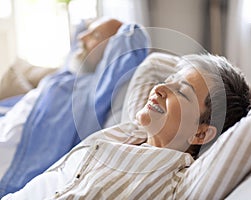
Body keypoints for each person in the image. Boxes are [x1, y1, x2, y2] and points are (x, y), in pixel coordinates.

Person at [2, 53, 251, 199]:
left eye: (182, 92)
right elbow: (154, 63)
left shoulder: (180, 179)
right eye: (170, 80)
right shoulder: (133, 129)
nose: (160, 89)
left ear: (201, 132)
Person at [0, 18, 149, 197]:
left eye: (95, 35)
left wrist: (125, 29)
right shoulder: (71, 74)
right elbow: (77, 46)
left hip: (13, 156)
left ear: (111, 49)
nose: (81, 37)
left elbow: (132, 38)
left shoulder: (94, 89)